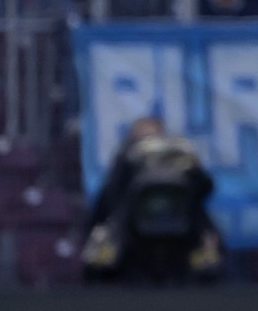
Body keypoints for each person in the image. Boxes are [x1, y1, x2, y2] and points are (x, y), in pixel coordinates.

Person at [82, 118, 224, 284]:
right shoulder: (127, 164)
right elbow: (107, 201)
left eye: (155, 137)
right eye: (144, 139)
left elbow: (205, 189)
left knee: (208, 239)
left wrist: (192, 165)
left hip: (182, 236)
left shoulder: (182, 164)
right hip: (132, 242)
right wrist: (128, 160)